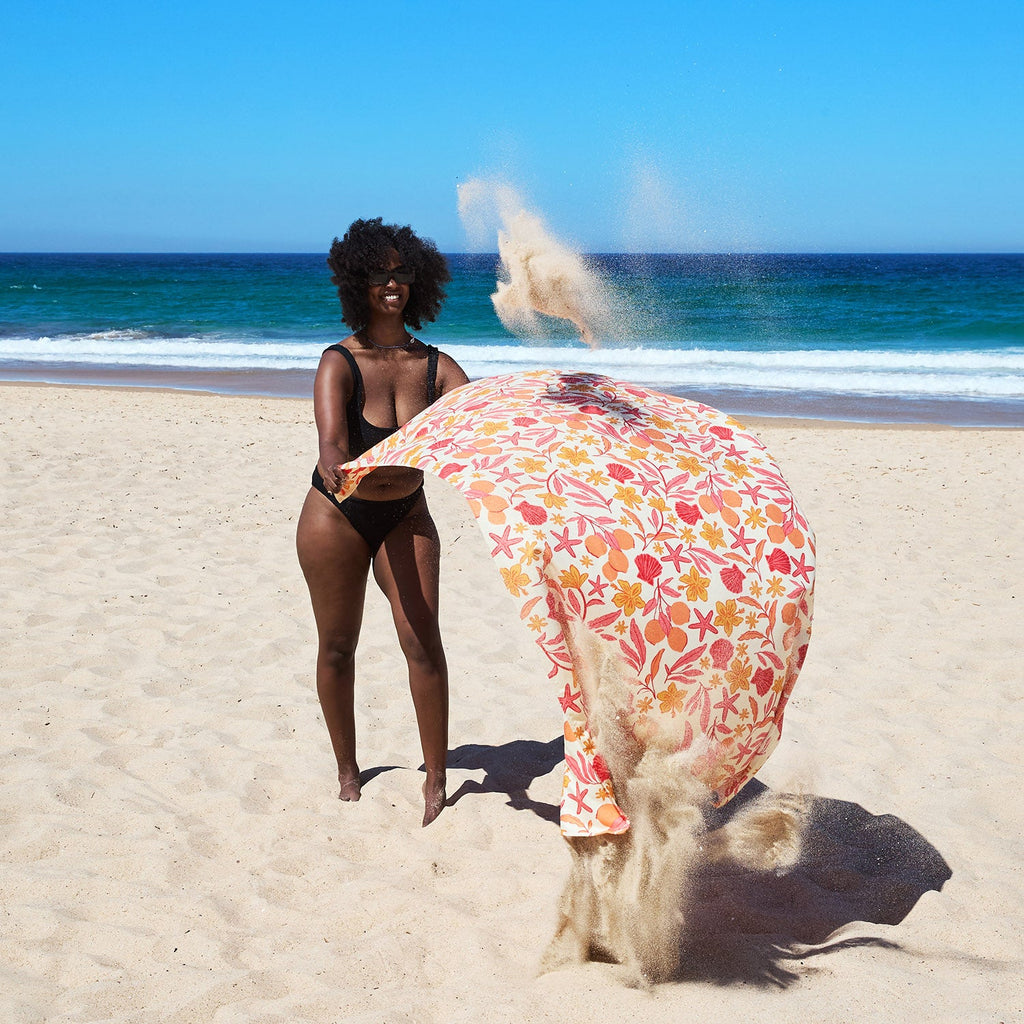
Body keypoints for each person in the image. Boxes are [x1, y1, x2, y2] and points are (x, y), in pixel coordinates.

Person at [296, 218, 469, 826]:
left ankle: (436, 781)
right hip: (336, 516)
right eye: (379, 274)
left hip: (407, 513)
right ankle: (348, 771)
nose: (391, 284)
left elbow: (483, 424)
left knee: (423, 644)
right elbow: (332, 453)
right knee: (338, 646)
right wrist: (372, 471)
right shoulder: (339, 361)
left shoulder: (436, 367)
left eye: (401, 273)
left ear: (417, 282)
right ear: (358, 282)